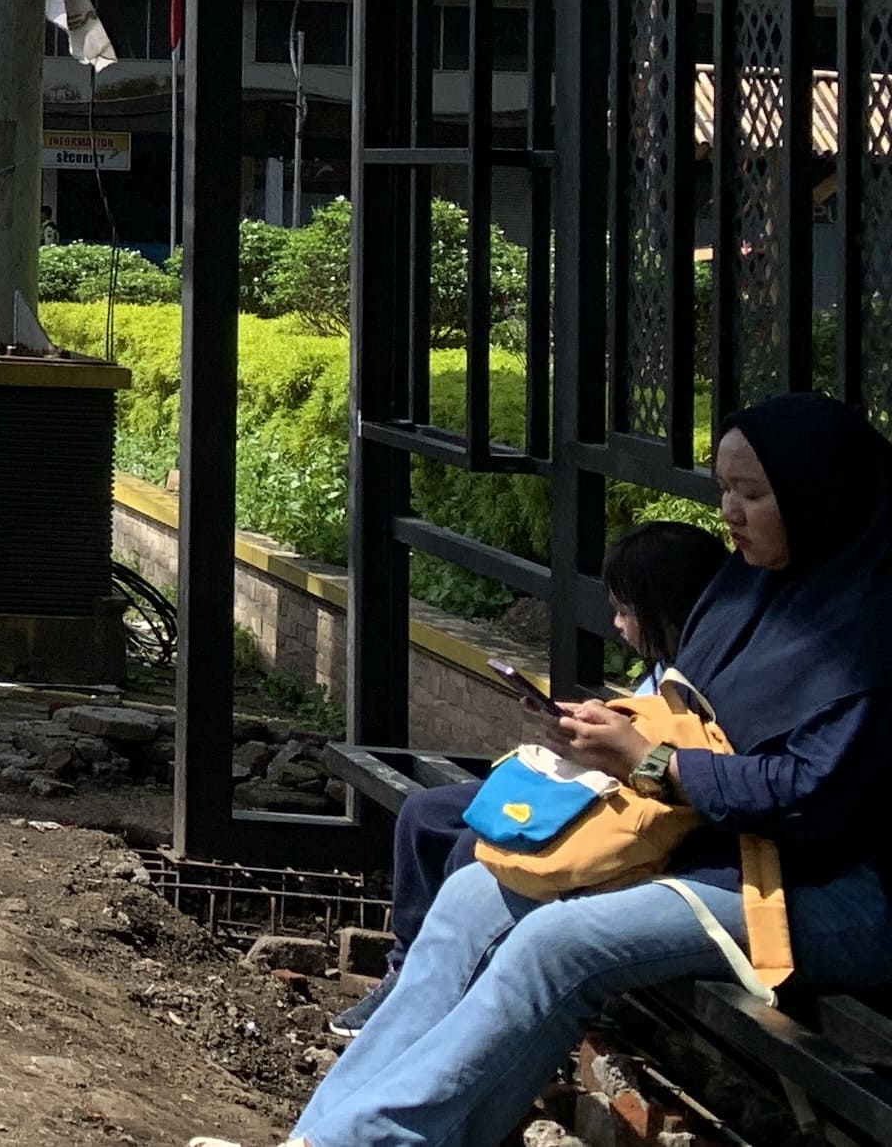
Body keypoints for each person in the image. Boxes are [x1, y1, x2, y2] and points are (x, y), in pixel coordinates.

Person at [271, 393, 892, 1147]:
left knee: (559, 946)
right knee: (474, 891)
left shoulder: (871, 623)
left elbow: (814, 796)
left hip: (833, 886)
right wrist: (610, 733)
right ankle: (319, 1134)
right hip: (707, 846)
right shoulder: (750, 583)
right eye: (725, 489)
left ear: (822, 493)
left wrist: (651, 763)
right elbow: (687, 707)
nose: (730, 511)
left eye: (755, 495)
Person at [336, 521, 738, 1038]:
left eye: (624, 610)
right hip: (594, 786)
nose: (616, 624)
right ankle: (407, 969)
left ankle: (454, 1000)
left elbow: (680, 767)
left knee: (473, 852)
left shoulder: (717, 675)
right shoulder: (662, 668)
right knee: (425, 814)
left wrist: (625, 753)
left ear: (663, 607)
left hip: (638, 814)